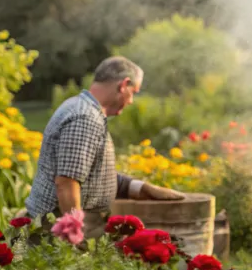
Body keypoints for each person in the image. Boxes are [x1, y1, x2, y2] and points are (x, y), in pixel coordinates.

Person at [26, 56, 185, 238]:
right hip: (58, 228)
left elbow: (89, 174)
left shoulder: (82, 109)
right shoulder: (85, 118)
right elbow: (67, 183)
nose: (131, 100)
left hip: (61, 223)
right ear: (123, 85)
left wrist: (142, 188)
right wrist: (75, 236)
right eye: (133, 92)